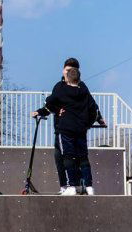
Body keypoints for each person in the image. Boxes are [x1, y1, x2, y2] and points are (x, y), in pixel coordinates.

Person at [32, 58, 105, 195]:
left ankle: (73, 185)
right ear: (63, 70)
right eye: (66, 70)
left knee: (69, 157)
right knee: (68, 157)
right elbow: (92, 107)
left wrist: (41, 111)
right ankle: (80, 186)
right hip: (74, 128)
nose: (67, 73)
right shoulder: (65, 87)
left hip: (65, 129)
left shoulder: (64, 90)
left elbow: (50, 103)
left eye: (70, 71)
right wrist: (90, 122)